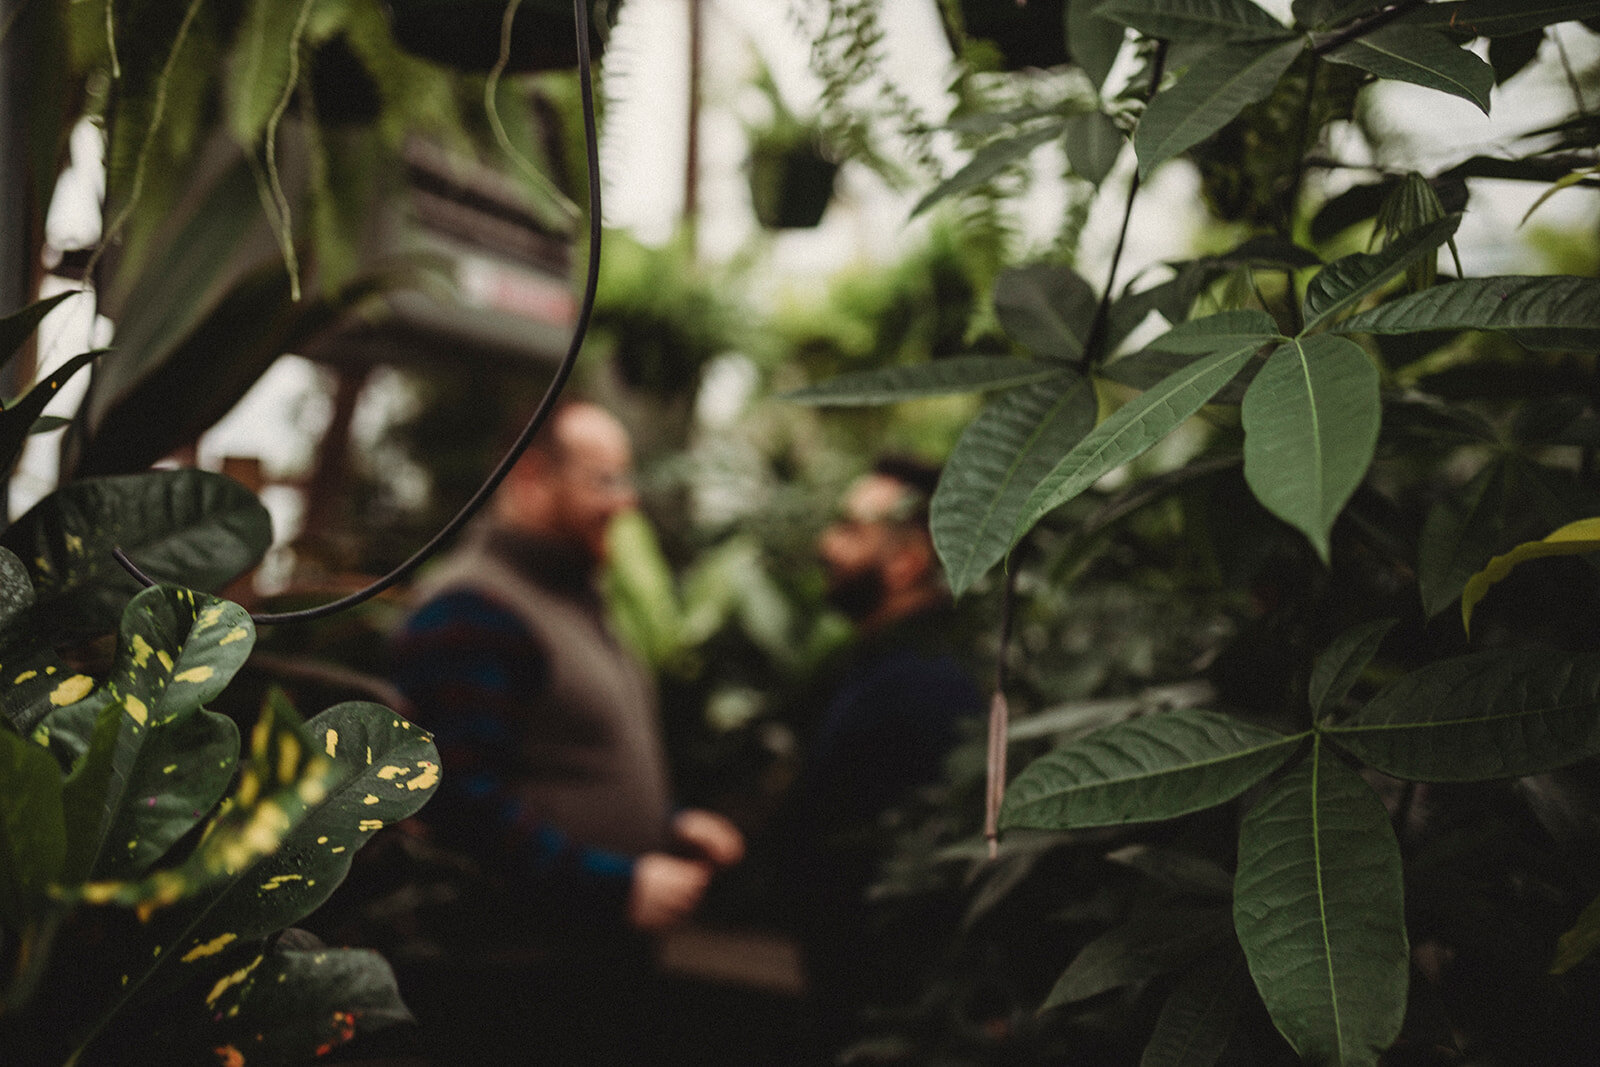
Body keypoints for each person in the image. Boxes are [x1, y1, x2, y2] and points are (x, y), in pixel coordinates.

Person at [387, 400, 744, 1064]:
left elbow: (567, 760)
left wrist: (667, 824)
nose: (624, 501)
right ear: (529, 479)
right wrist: (616, 881)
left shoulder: (575, 596)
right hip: (514, 977)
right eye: (603, 479)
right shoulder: (470, 606)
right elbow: (460, 799)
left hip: (587, 962)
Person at [783, 455, 988, 1058]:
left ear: (907, 558)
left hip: (889, 1007)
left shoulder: (926, 684)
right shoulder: (874, 667)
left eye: (850, 529)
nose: (826, 544)